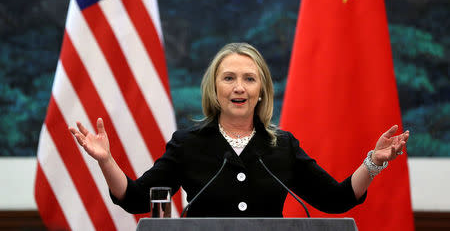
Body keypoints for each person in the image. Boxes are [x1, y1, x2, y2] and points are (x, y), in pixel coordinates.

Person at [69, 42, 409, 217]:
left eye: (249, 79)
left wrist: (373, 162)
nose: (239, 87)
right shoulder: (189, 144)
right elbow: (136, 199)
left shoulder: (282, 147)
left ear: (261, 90)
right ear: (214, 88)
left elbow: (335, 200)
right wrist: (105, 161)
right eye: (228, 78)